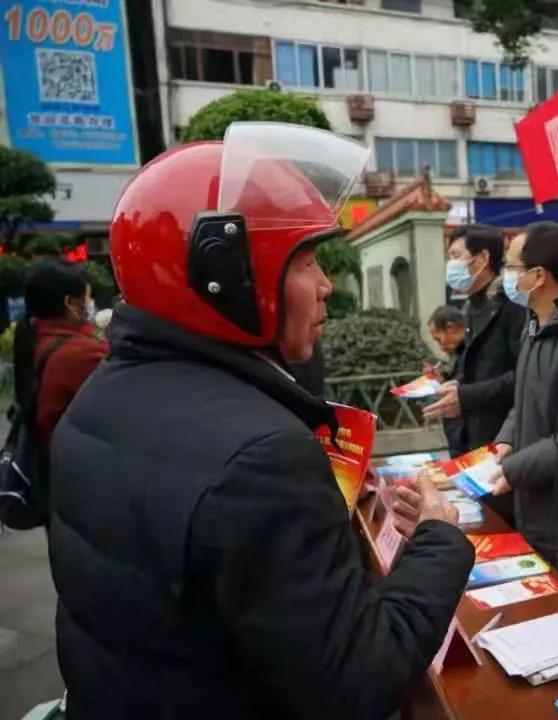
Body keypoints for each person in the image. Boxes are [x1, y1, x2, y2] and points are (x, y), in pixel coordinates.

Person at [48, 123, 474, 719]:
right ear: (222, 277)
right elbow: (359, 682)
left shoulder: (98, 399)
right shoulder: (261, 457)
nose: (326, 285)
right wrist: (441, 540)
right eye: (304, 260)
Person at [424, 224, 526, 523]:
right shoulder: (470, 307)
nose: (451, 265)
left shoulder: (512, 307)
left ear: (481, 259)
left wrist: (467, 395)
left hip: (504, 446)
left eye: (456, 256)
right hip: (473, 448)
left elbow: (525, 376)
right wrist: (455, 382)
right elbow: (478, 366)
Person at [489, 221, 558, 562]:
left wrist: (515, 469)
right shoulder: (533, 324)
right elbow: (523, 399)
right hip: (529, 503)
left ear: (539, 276)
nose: (506, 276)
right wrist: (506, 438)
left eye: (512, 267)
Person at [8, 260, 107, 523]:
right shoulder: (80, 355)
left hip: (56, 483)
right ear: (71, 304)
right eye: (87, 297)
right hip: (83, 489)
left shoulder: (35, 337)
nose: (90, 303)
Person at [427, 304, 467, 455]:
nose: (440, 345)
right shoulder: (457, 353)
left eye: (438, 339)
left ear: (450, 328)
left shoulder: (471, 351)